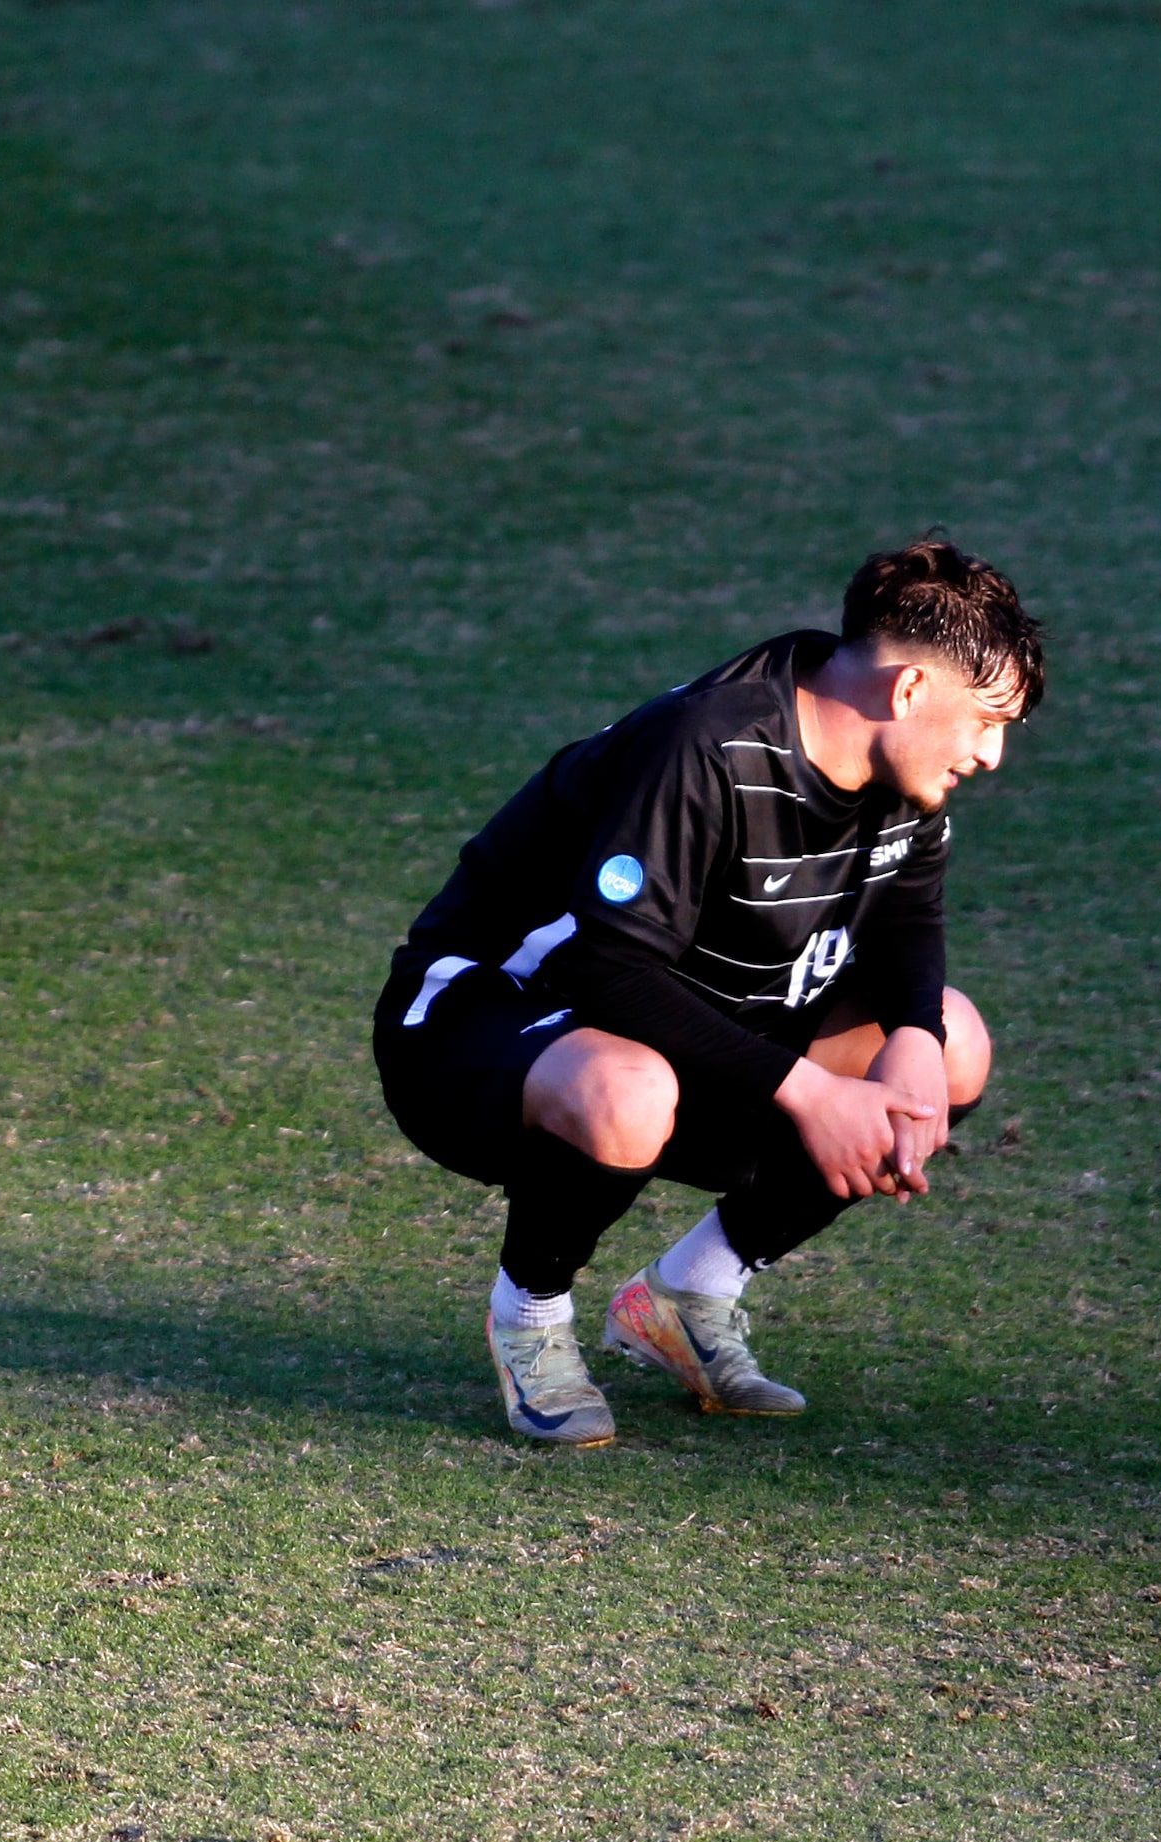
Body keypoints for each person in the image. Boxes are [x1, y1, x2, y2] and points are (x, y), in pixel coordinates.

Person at [372, 538, 1045, 1439]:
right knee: (628, 1087)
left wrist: (915, 1036)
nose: (992, 755)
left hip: (682, 1028)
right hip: (480, 1028)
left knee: (954, 1039)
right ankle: (529, 1319)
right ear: (910, 691)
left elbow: (909, 924)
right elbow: (604, 968)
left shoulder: (902, 771)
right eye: (986, 721)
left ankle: (691, 1294)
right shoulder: (706, 743)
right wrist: (809, 1091)